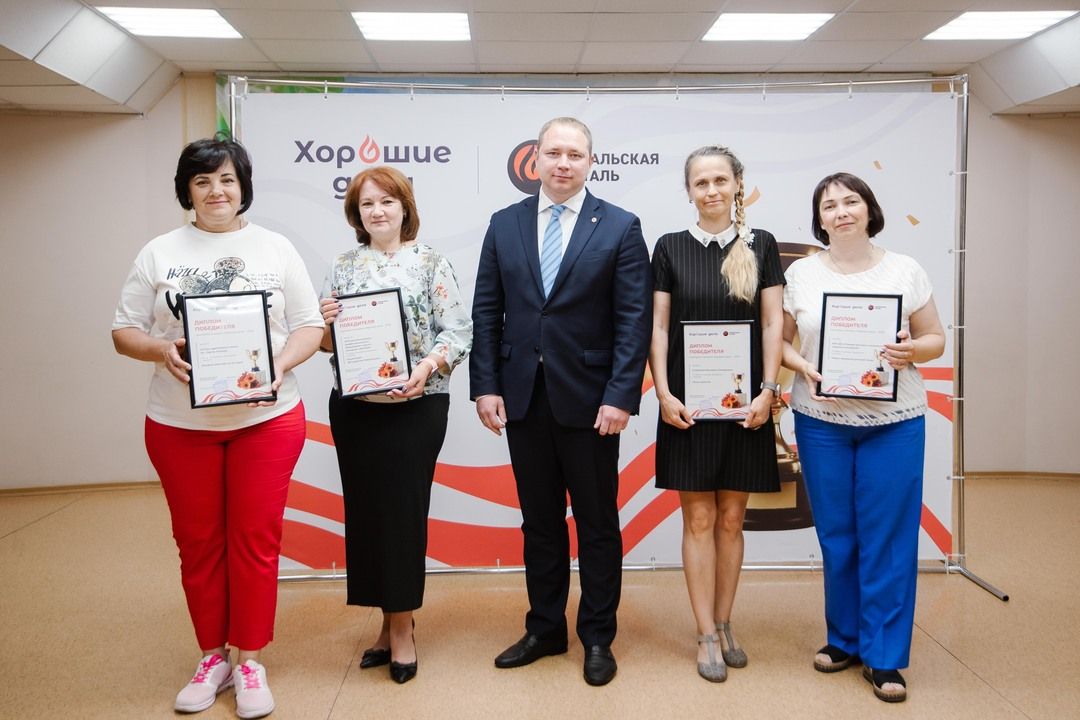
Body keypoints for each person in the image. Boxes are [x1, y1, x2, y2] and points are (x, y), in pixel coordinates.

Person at [112, 136, 324, 718]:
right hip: (178, 424)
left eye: (227, 179)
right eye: (202, 181)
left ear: (243, 186)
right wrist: (160, 349)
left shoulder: (275, 248)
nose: (216, 191)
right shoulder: (159, 252)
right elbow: (123, 331)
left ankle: (250, 658)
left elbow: (308, 325)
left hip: (266, 420)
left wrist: (278, 364)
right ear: (187, 189)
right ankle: (213, 657)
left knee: (255, 539)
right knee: (198, 542)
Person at [470, 117, 653, 686]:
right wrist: (486, 385)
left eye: (574, 154)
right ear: (537, 159)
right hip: (523, 398)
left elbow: (634, 320)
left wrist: (621, 395)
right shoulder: (504, 224)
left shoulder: (620, 226)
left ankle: (597, 636)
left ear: (590, 161)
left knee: (597, 523)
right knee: (540, 523)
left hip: (593, 403)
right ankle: (545, 629)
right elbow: (486, 312)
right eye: (553, 152)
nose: (563, 163)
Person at [781, 172, 945, 703]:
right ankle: (845, 639)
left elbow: (935, 338)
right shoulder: (801, 274)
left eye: (851, 201)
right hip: (821, 420)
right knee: (838, 535)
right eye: (829, 205)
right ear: (820, 220)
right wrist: (803, 366)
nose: (841, 211)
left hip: (894, 421)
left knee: (889, 538)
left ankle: (885, 655)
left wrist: (911, 351)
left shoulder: (905, 269)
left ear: (870, 209)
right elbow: (779, 343)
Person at [319, 166, 472, 685]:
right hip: (355, 408)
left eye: (387, 201)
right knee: (367, 515)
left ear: (405, 207)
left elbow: (458, 331)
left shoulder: (430, 262)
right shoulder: (342, 266)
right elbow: (325, 343)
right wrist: (325, 324)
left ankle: (403, 628)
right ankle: (386, 623)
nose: (377, 211)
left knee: (403, 514)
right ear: (356, 214)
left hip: (416, 406)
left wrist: (426, 367)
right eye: (367, 204)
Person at [649, 146, 784, 682]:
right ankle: (704, 630)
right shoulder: (669, 247)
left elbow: (773, 323)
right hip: (686, 408)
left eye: (720, 180)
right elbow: (659, 327)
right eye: (700, 182)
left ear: (737, 185)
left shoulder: (762, 244)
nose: (711, 190)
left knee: (731, 519)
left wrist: (768, 391)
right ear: (688, 191)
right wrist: (663, 393)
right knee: (699, 519)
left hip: (746, 408)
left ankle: (726, 622)